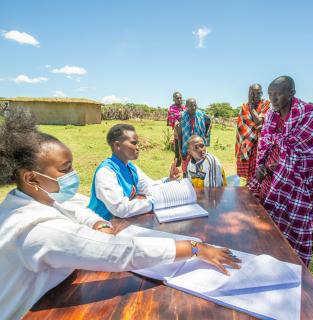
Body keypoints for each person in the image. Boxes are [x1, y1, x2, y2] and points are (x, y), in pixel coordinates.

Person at [0, 109, 241, 319]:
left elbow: (74, 207)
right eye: (66, 169)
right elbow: (122, 253)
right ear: (31, 177)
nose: (75, 174)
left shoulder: (27, 201)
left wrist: (98, 223)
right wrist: (194, 248)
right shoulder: (39, 231)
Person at [248, 76, 313, 266]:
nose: (273, 99)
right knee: (267, 226)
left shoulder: (308, 115)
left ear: (291, 93)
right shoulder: (271, 116)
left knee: (292, 229)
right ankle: (268, 262)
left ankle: (291, 266)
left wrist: (285, 164)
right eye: (270, 95)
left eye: (278, 94)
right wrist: (262, 165)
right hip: (269, 181)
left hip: (295, 185)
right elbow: (266, 145)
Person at [88, 124, 180, 221]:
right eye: (133, 143)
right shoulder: (105, 172)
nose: (137, 147)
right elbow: (120, 208)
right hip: (101, 225)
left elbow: (149, 187)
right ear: (117, 145)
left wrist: (169, 180)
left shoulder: (131, 168)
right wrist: (155, 202)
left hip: (121, 222)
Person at [235, 83, 270, 183]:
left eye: (258, 93)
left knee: (257, 171)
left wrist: (251, 107)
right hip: (245, 143)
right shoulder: (244, 106)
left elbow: (259, 121)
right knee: (248, 175)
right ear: (249, 93)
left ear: (262, 93)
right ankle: (249, 187)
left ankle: (254, 190)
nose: (256, 96)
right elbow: (241, 127)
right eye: (253, 93)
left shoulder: (266, 104)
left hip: (259, 143)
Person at [174, 98, 211, 171]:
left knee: (201, 171)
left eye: (195, 105)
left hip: (199, 149)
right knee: (186, 171)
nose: (193, 108)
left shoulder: (201, 115)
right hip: (186, 149)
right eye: (191, 106)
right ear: (186, 106)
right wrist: (180, 151)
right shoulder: (182, 116)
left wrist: (206, 136)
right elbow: (179, 135)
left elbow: (209, 123)